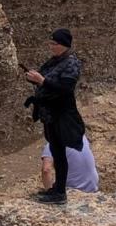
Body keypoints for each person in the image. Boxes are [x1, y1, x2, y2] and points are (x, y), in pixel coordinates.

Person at [23, 28, 86, 205]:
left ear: (63, 45)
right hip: (50, 114)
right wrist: (34, 78)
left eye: (54, 44)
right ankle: (57, 190)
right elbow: (46, 78)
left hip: (61, 114)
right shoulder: (55, 60)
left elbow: (66, 89)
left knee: (59, 153)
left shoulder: (71, 63)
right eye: (50, 43)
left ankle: (60, 192)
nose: (51, 46)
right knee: (56, 151)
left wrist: (42, 81)